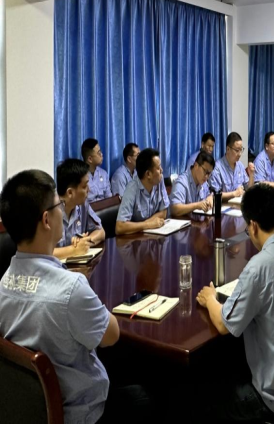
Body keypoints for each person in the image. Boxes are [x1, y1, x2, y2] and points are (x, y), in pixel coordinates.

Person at [0, 169, 136, 423]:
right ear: (46, 220)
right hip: (82, 412)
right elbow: (112, 335)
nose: (63, 211)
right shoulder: (71, 288)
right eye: (59, 206)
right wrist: (83, 289)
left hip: (33, 412)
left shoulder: (3, 283)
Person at [196, 184, 274, 421]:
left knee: (203, 399)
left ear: (253, 226)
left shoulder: (259, 267)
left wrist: (211, 299)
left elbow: (223, 324)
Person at [53, 159, 106, 260]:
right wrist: (73, 250)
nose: (89, 190)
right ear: (70, 193)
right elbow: (43, 253)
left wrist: (84, 243)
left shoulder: (82, 204)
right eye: (84, 186)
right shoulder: (50, 211)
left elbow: (101, 232)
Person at [116, 148, 170, 235]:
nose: (161, 170)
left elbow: (164, 212)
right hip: (136, 239)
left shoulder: (159, 180)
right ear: (148, 174)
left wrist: (148, 224)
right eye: (158, 168)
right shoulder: (132, 189)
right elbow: (119, 227)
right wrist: (148, 225)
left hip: (154, 234)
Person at [209, 132, 256, 201]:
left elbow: (249, 190)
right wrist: (234, 194)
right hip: (224, 205)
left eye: (241, 150)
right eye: (237, 150)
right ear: (228, 149)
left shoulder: (240, 166)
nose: (240, 154)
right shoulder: (217, 168)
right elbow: (215, 195)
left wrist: (251, 174)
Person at [170, 152, 215, 217]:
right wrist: (197, 205)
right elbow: (174, 209)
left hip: (198, 221)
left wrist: (210, 197)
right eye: (205, 171)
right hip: (185, 222)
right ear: (196, 165)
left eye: (209, 174)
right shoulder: (182, 183)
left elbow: (209, 194)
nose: (207, 176)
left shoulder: (203, 181)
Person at [82, 138, 113, 202]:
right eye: (99, 153)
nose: (101, 155)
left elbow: (109, 197)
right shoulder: (80, 176)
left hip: (105, 207)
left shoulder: (104, 174)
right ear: (90, 159)